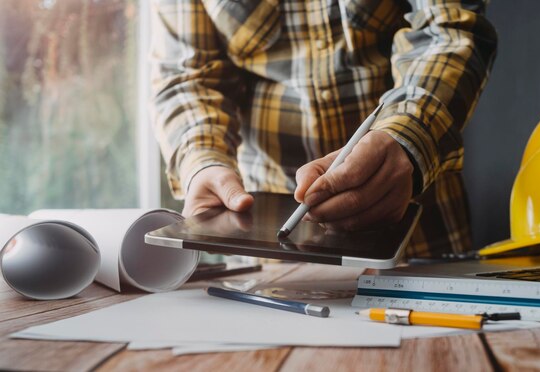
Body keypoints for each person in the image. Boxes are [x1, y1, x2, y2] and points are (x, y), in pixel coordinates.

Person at [150, 0, 497, 258]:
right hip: (271, 257)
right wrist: (203, 159)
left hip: (417, 232)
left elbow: (449, 28)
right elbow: (186, 75)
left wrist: (406, 134)